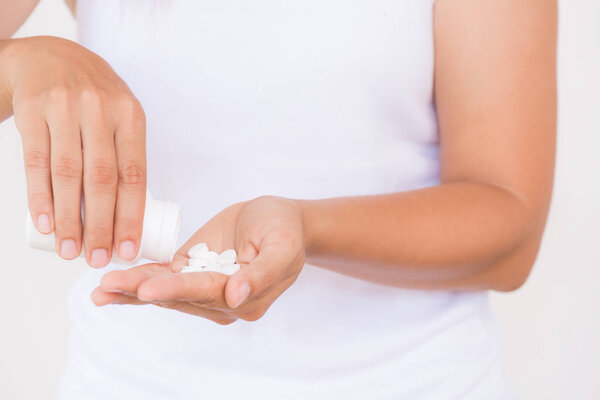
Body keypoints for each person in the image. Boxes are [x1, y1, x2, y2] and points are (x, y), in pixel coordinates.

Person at [0, 0, 557, 398]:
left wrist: (309, 229)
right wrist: (22, 64)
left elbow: (509, 227)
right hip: (128, 382)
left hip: (416, 382)